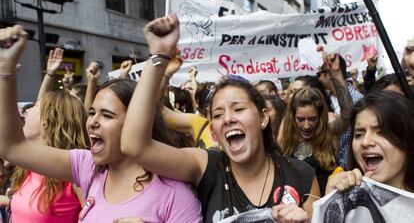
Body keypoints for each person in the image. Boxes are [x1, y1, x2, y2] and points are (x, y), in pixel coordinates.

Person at [121, 14, 319, 223]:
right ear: (214, 132)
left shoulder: (301, 174)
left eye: (238, 108)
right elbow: (135, 146)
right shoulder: (205, 167)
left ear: (263, 118)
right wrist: (159, 57)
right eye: (217, 114)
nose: (227, 118)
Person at [0, 25, 202, 222]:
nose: (92, 122)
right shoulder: (88, 167)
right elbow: (12, 147)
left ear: (136, 124)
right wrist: (5, 69)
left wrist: (159, 60)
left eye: (107, 115)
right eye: (91, 112)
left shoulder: (175, 194)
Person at [279, 53, 353, 195]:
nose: (306, 126)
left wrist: (336, 73)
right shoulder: (285, 139)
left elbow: (347, 113)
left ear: (320, 117)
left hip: (328, 207)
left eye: (312, 119)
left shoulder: (329, 133)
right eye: (300, 119)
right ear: (292, 117)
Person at [8, 92, 87, 223]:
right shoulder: (28, 166)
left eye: (35, 105)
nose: (27, 110)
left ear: (47, 120)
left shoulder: (74, 175)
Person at [326, 91, 414, 194]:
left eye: (381, 132)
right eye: (359, 134)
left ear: (408, 138)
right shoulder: (347, 198)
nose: (365, 142)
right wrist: (331, 201)